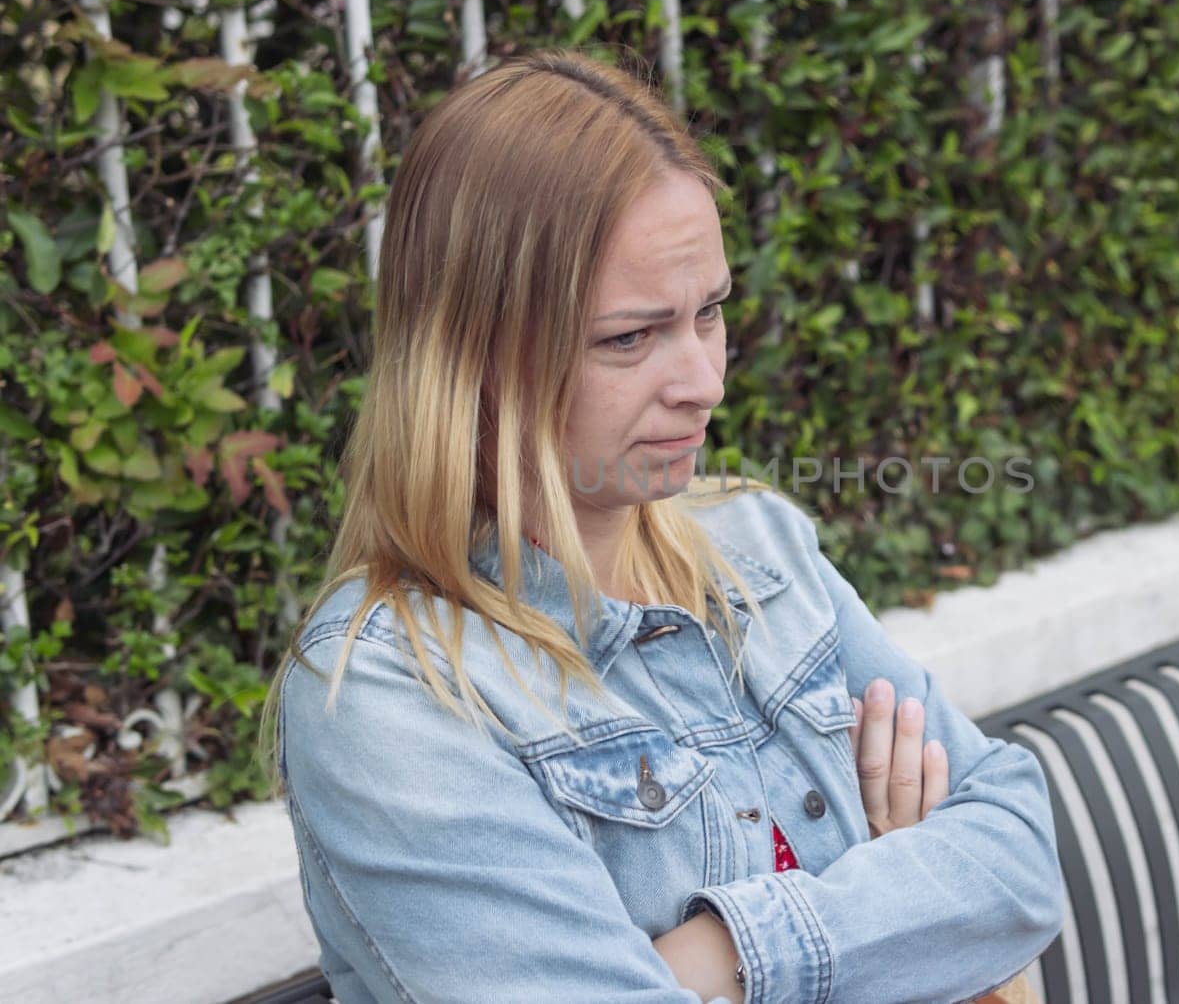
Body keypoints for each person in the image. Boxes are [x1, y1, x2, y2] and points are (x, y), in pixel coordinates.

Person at [262, 49, 1065, 1004]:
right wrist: (909, 902)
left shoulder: (757, 550)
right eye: (629, 337)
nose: (704, 383)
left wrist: (724, 956)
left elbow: (1016, 847)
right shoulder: (391, 694)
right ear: (471, 358)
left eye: (711, 312)